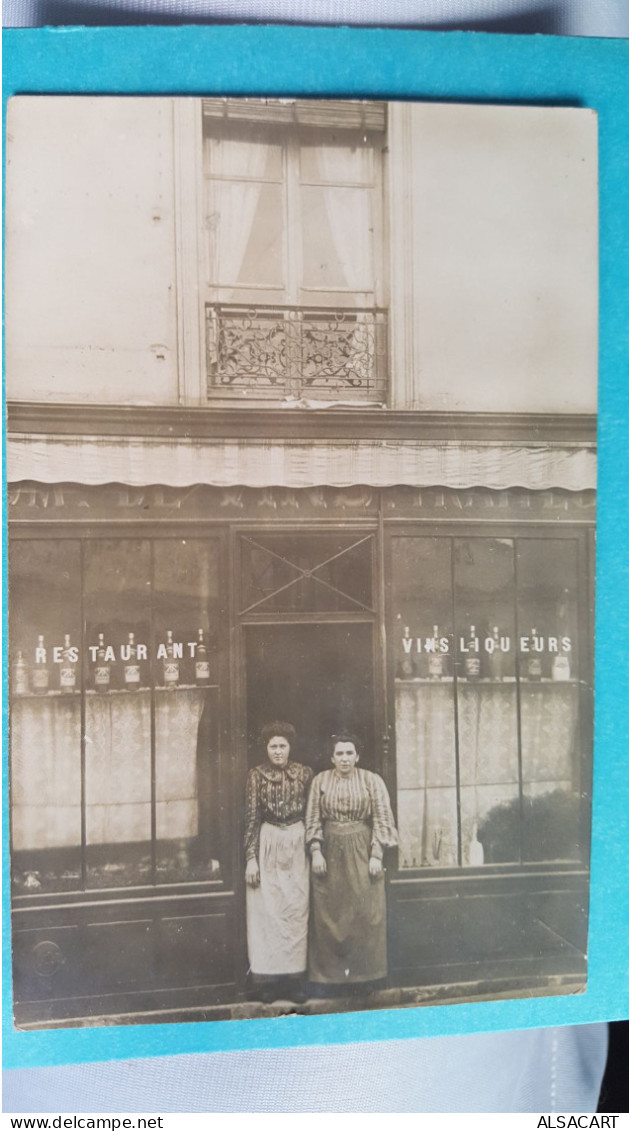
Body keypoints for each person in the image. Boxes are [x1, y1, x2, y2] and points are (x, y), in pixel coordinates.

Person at [306, 732, 398, 993]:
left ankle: (367, 978)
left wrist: (376, 854)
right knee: (330, 913)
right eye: (339, 754)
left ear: (357, 756)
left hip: (362, 847)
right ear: (331, 757)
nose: (344, 758)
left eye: (349, 753)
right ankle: (331, 981)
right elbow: (312, 818)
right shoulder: (320, 781)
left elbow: (382, 817)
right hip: (330, 849)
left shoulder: (372, 780)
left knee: (366, 911)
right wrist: (316, 851)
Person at [244, 722, 313, 1002]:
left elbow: (312, 813)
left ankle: (295, 981)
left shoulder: (305, 774)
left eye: (282, 746)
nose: (278, 751)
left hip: (297, 841)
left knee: (296, 909)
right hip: (268, 841)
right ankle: (267, 982)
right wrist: (251, 858)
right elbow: (251, 817)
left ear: (290, 747)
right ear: (266, 748)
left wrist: (312, 847)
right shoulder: (256, 776)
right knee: (267, 912)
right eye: (273, 746)